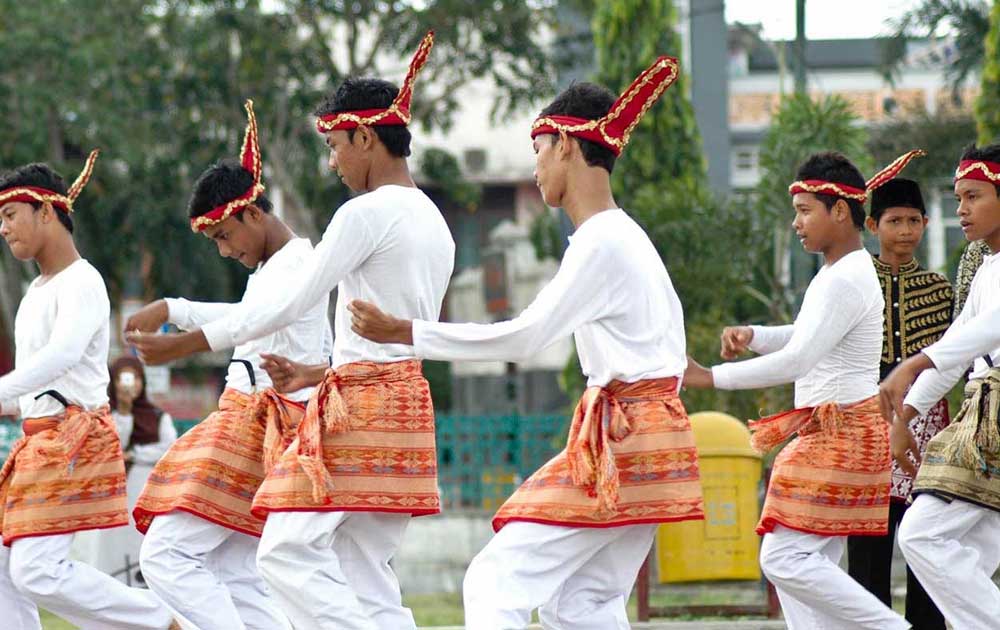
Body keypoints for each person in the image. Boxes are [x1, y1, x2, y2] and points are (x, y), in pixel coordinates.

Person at [348, 55, 705, 629]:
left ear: (565, 144)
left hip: (625, 438)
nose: (534, 166)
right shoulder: (626, 237)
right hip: (652, 438)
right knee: (581, 603)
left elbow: (526, 334)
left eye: (537, 149)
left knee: (493, 582)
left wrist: (406, 331)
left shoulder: (603, 242)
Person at [128, 33, 456, 630]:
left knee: (283, 552)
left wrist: (181, 340)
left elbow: (292, 303)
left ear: (364, 137)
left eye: (334, 146)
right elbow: (401, 333)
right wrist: (315, 371)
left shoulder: (364, 213)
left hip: (360, 405)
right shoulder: (435, 221)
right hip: (406, 400)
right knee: (366, 573)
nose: (332, 161)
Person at [683, 151, 928, 629]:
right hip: (838, 432)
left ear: (840, 211)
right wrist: (754, 334)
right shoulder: (840, 273)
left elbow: (800, 359)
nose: (797, 223)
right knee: (805, 568)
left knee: (783, 559)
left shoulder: (847, 277)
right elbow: (804, 336)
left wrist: (709, 376)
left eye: (804, 210)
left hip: (840, 435)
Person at [127, 100, 328, 630]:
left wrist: (183, 343)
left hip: (263, 421)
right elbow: (246, 314)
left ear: (253, 214)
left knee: (166, 555)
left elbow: (249, 323)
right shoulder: (276, 266)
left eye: (223, 236)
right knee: (235, 569)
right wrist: (175, 308)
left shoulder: (299, 266)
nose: (222, 251)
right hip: (255, 421)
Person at [0, 153, 176, 629]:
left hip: (73, 439)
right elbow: (41, 383)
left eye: (10, 215)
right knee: (3, 567)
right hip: (39, 438)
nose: (3, 228)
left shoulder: (84, 280)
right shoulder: (36, 291)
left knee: (36, 571)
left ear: (45, 212)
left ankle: (164, 622)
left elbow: (61, 357)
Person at [879, 142, 1000, 629]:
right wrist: (904, 417)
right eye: (957, 199)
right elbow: (959, 349)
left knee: (923, 536)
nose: (962, 210)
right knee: (965, 553)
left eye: (973, 196)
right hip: (984, 413)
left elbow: (990, 327)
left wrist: (913, 363)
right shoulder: (987, 267)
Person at [846, 177, 951, 629]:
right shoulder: (852, 280)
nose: (905, 230)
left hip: (927, 420)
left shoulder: (940, 289)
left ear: (926, 224)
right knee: (869, 538)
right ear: (872, 224)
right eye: (894, 221)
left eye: (914, 221)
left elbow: (950, 360)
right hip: (867, 417)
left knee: (923, 537)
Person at [73, 355, 177, 584]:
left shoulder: (157, 416)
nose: (131, 385)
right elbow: (112, 444)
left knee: (141, 543)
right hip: (112, 492)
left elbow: (168, 448)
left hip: (143, 490)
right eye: (124, 378)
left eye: (135, 378)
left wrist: (137, 454)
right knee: (110, 545)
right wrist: (124, 411)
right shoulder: (104, 416)